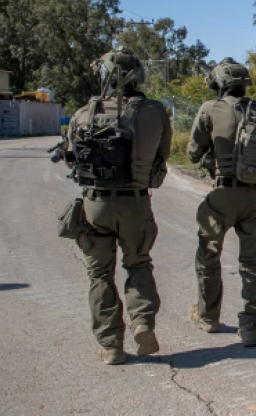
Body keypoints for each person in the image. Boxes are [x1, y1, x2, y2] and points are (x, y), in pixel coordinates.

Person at [65, 48, 172, 365]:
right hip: (136, 203)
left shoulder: (83, 114)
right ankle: (142, 323)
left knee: (99, 274)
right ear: (137, 75)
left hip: (95, 204)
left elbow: (73, 160)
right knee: (138, 264)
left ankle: (111, 345)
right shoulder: (155, 112)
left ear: (103, 76)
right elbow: (161, 160)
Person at [187, 58, 256, 347]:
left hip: (224, 194)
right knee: (253, 263)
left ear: (220, 83)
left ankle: (208, 316)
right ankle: (250, 326)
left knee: (208, 255)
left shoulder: (209, 109)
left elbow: (192, 152)